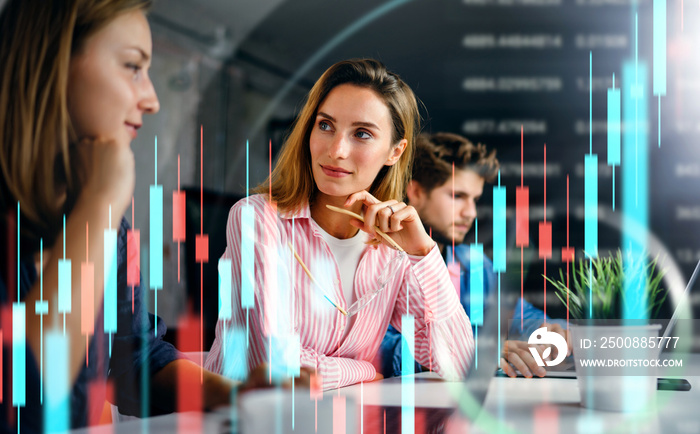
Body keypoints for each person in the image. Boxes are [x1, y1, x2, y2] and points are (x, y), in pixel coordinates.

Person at [0, 1, 272, 431]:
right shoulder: (100, 214)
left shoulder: (112, 227)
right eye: (132, 66)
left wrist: (236, 396)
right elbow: (26, 402)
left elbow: (135, 362)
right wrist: (99, 206)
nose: (151, 100)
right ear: (53, 63)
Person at [205, 59, 475, 391]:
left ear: (394, 151)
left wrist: (422, 253)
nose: (336, 150)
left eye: (362, 134)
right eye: (326, 125)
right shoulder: (257, 219)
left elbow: (461, 363)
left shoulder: (393, 250)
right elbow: (274, 367)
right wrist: (363, 370)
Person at [377, 132, 570, 379]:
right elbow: (375, 350)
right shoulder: (377, 260)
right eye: (457, 196)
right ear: (415, 191)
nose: (471, 213)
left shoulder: (474, 263)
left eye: (475, 199)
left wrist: (552, 333)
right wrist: (472, 353)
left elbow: (522, 317)